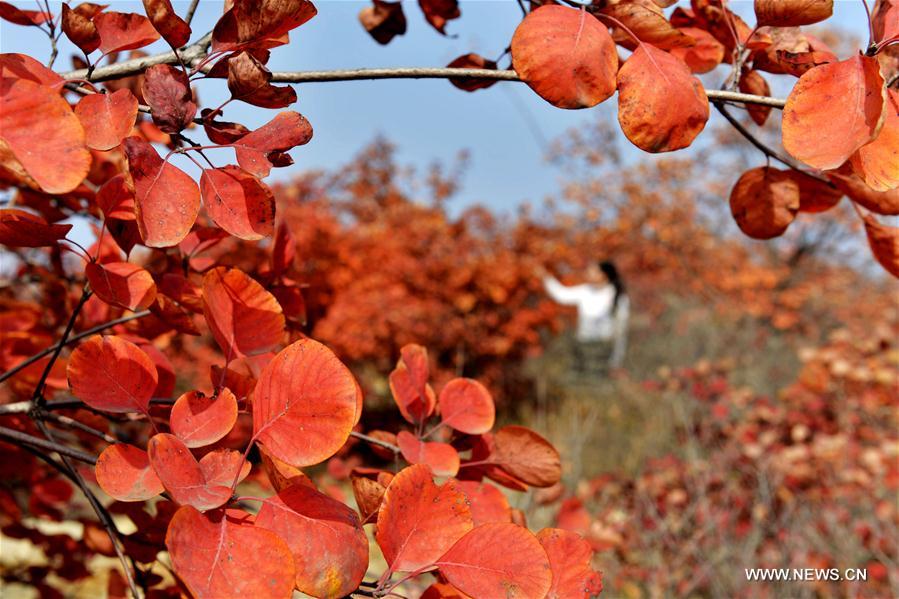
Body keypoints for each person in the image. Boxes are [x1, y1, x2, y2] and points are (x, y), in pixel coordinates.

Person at [540, 260, 629, 374]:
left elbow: (621, 328)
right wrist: (546, 278)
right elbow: (562, 295)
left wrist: (616, 358)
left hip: (603, 348)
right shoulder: (586, 291)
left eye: (593, 271)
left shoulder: (617, 296)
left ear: (604, 275)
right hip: (584, 344)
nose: (588, 273)